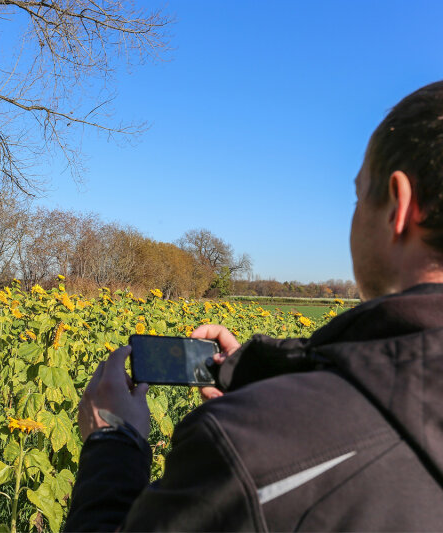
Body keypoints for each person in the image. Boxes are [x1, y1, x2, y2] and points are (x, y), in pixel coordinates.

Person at [64, 80, 443, 531]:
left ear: (399, 206)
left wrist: (113, 444)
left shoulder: (243, 447)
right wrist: (264, 375)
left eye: (359, 196)